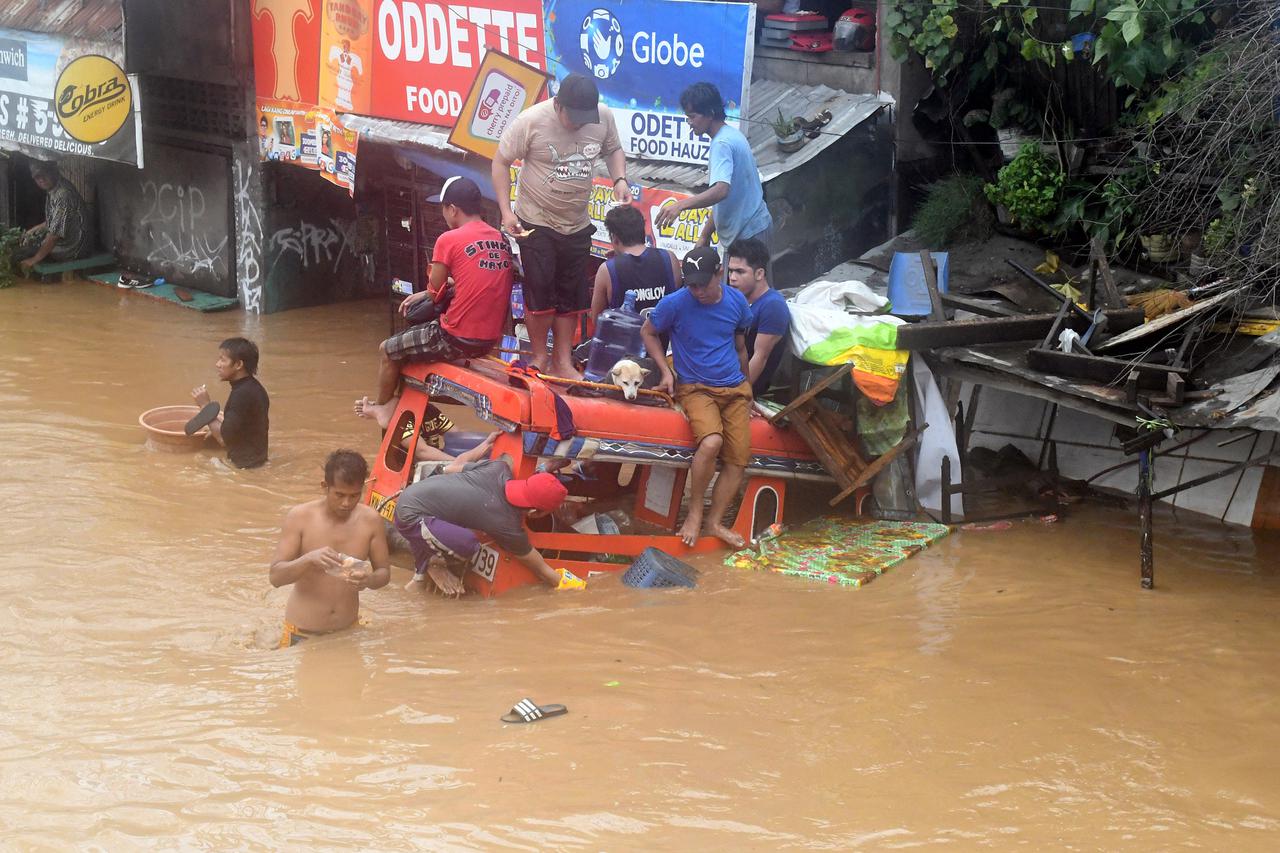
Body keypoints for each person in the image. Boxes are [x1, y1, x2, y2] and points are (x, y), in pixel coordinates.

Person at [492, 73, 631, 378]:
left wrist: (619, 178)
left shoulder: (603, 117)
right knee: (540, 290)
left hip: (577, 222)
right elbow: (500, 161)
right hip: (536, 219)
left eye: (585, 118)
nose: (579, 124)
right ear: (558, 105)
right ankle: (541, 356)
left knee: (571, 293)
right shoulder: (530, 122)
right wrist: (506, 211)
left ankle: (563, 361)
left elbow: (614, 150)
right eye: (573, 118)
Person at [641, 247, 753, 549]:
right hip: (696, 388)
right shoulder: (675, 303)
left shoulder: (737, 302)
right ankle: (694, 512)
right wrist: (665, 371)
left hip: (735, 389)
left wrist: (749, 387)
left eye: (703, 283)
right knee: (712, 442)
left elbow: (741, 347)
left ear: (720, 273)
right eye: (692, 284)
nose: (698, 290)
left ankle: (714, 522)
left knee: (738, 461)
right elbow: (648, 332)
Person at [374, 176, 513, 405]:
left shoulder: (448, 239)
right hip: (490, 339)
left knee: (387, 350)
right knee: (407, 347)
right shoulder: (501, 239)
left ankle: (382, 408)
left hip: (455, 338)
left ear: (452, 209)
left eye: (443, 209)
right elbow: (477, 282)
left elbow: (435, 290)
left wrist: (427, 292)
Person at [393, 458, 580, 594]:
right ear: (535, 513)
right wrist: (576, 587)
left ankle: (419, 575)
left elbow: (452, 468)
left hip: (413, 494)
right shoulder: (506, 524)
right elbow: (541, 569)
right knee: (468, 544)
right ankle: (433, 564)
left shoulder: (499, 467)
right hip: (411, 518)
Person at [269, 450, 390, 647]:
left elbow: (384, 573)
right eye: (339, 495)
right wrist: (308, 559)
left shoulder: (370, 520)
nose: (346, 503)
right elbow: (275, 577)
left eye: (354, 496)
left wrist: (368, 580)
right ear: (325, 487)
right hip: (302, 632)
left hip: (348, 631)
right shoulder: (299, 517)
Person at [655, 83, 773, 254]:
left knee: (745, 280)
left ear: (710, 114)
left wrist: (680, 206)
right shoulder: (730, 134)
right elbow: (722, 198)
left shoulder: (722, 144)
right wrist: (705, 234)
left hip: (749, 235)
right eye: (687, 117)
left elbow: (721, 191)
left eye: (693, 116)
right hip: (751, 230)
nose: (689, 122)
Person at [590, 204, 681, 324]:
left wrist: (615, 265)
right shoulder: (669, 258)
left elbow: (597, 319)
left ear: (615, 238)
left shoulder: (607, 270)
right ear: (642, 233)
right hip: (664, 341)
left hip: (623, 340)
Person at [726, 237, 790, 397]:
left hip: (742, 387)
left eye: (740, 271)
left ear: (759, 273)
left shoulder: (772, 306)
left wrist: (736, 395)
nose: (732, 277)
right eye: (730, 271)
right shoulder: (738, 299)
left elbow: (760, 357)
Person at [192, 337, 270, 469]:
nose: (217, 364)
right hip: (258, 460)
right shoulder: (255, 387)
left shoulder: (241, 395)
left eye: (223, 360)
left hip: (244, 468)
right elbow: (241, 430)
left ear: (238, 365)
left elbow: (224, 439)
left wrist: (205, 406)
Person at [352, 395, 497, 464]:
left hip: (434, 462)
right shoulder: (403, 416)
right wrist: (459, 462)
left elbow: (456, 435)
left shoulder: (429, 410)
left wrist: (484, 448)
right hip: (411, 474)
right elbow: (422, 452)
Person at [16, 160, 89, 274]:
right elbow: (53, 221)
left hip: (74, 247)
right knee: (27, 242)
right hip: (69, 241)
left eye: (45, 174)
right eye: (37, 177)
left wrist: (33, 260)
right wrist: (31, 232)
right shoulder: (53, 190)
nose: (41, 179)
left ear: (54, 171)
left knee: (25, 252)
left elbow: (54, 235)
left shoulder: (63, 194)